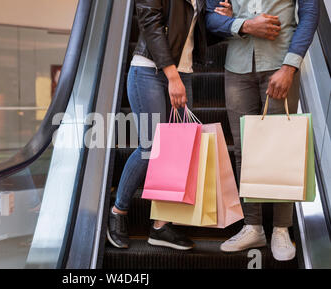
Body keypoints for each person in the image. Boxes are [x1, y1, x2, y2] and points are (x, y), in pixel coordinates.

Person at [205, 0, 319, 261]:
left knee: (282, 149)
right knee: (244, 151)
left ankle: (281, 229)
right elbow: (209, 16)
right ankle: (253, 227)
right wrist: (244, 25)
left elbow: (310, 13)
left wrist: (290, 66)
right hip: (237, 67)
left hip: (280, 64)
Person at [107, 0, 212, 250]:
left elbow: (195, 31)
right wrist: (173, 76)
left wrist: (224, 20)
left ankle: (160, 226)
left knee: (176, 151)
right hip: (149, 72)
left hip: (183, 73)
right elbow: (150, 23)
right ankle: (118, 211)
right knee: (152, 147)